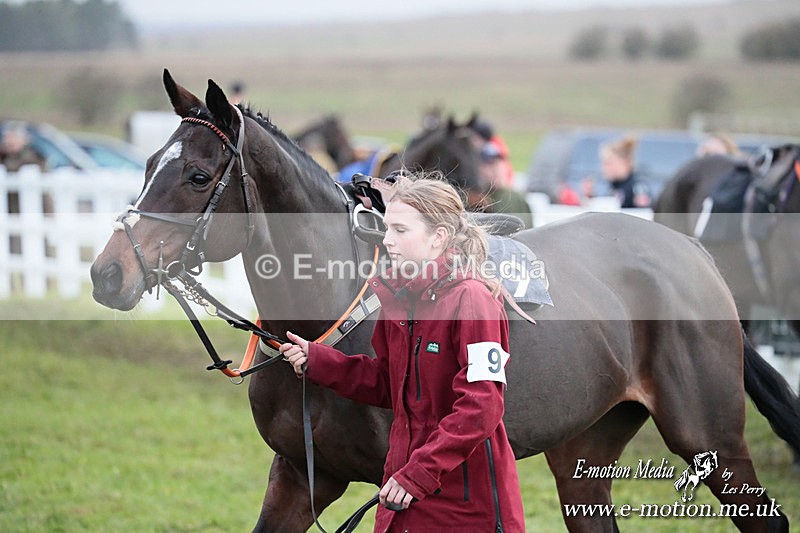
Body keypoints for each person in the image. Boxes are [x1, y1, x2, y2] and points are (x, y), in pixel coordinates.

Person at [280, 173, 525, 532]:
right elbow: (387, 382)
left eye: (400, 230)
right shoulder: (399, 300)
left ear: (438, 237)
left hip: (465, 508)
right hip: (405, 493)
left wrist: (418, 475)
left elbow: (482, 405)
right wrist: (320, 360)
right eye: (386, 228)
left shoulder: (472, 300)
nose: (387, 240)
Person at [479, 141, 533, 228]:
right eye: (489, 164)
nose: (495, 169)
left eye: (499, 163)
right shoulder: (475, 200)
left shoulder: (516, 198)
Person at [598, 134, 650, 208]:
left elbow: (644, 213)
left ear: (623, 162)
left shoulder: (637, 187)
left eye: (608, 163)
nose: (604, 168)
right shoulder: (613, 187)